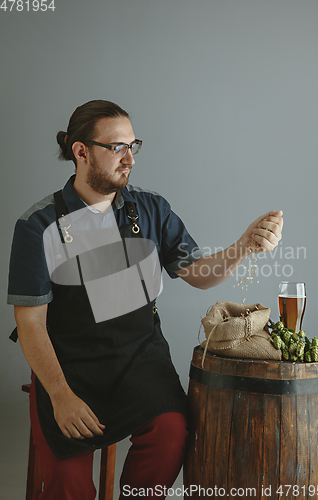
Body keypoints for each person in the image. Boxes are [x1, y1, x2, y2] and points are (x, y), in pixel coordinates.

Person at [7, 100, 283, 500]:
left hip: (139, 356)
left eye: (134, 145)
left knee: (171, 433)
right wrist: (61, 396)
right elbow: (31, 324)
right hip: (68, 367)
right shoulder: (38, 225)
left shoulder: (150, 208)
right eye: (117, 147)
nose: (130, 158)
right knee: (68, 485)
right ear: (81, 152)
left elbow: (199, 277)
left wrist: (243, 246)